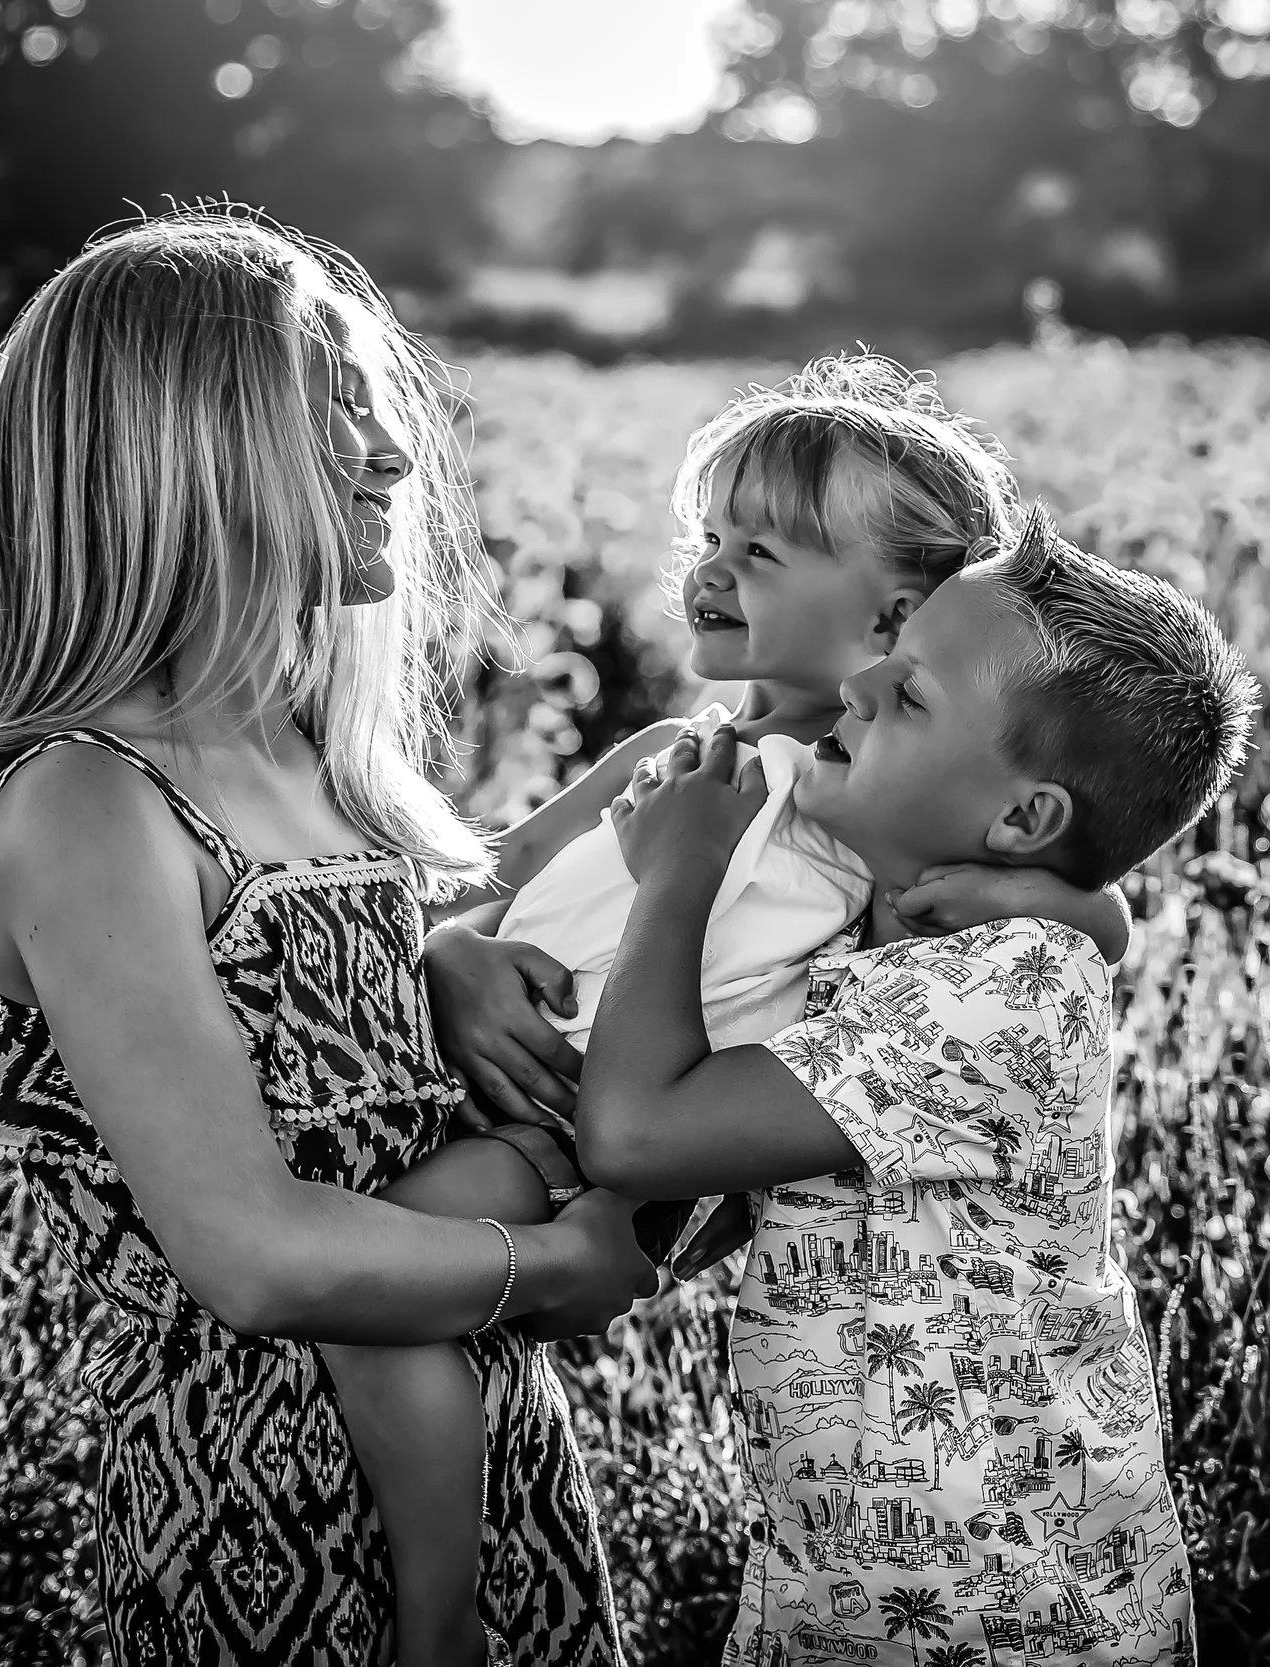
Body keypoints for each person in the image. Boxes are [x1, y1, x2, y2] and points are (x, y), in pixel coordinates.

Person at [0, 210, 651, 1666]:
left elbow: (349, 1021)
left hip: (484, 1453)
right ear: (179, 446)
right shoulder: (90, 798)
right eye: (333, 403)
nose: (393, 452)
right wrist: (557, 1267)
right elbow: (254, 1251)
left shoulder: (307, 751)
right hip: (269, 1510)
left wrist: (445, 950)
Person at [341, 359, 1136, 1664]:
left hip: (580, 1139)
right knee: (378, 1267)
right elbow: (470, 889)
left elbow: (1088, 924)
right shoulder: (662, 758)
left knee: (381, 1272)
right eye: (706, 535)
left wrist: (1028, 889)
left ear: (895, 616)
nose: (708, 568)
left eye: (759, 550)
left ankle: (439, 1613)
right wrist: (450, 956)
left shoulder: (857, 803)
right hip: (501, 1075)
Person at [576, 507, 1261, 1666]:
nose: (858, 687)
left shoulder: (1006, 983)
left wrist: (678, 868)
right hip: (845, 1583)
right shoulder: (907, 920)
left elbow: (635, 1133)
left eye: (910, 695)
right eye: (887, 653)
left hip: (1014, 1615)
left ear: (1024, 818)